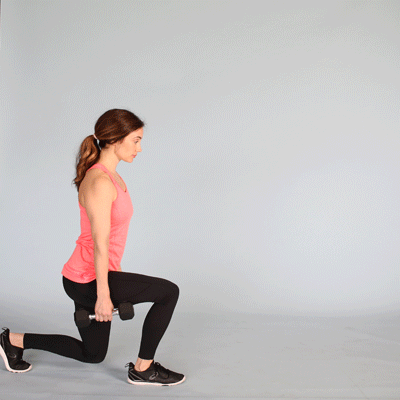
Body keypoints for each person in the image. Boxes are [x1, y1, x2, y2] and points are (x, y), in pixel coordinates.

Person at [0, 109, 185, 386]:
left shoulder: (112, 177)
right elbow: (99, 243)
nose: (139, 148)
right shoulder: (99, 181)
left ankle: (12, 341)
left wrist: (115, 275)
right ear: (115, 139)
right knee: (168, 292)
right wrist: (103, 295)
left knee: (93, 354)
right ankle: (143, 369)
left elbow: (112, 240)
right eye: (135, 141)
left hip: (94, 275)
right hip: (86, 279)